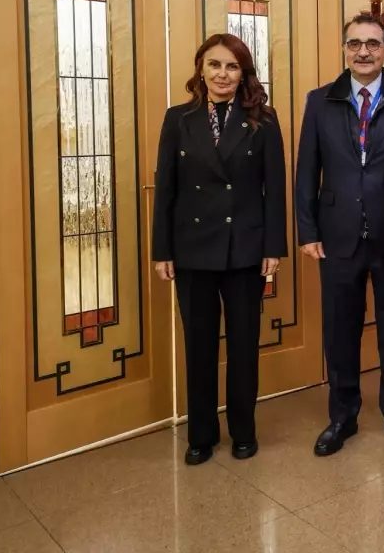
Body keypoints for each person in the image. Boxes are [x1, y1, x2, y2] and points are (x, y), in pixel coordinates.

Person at [295, 13, 384, 456]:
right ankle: (343, 416)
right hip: (337, 236)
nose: (363, 52)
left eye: (373, 44)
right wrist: (307, 230)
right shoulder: (320, 101)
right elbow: (306, 172)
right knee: (341, 331)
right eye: (354, 43)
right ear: (344, 49)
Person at [151, 33, 287, 465]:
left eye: (232, 66)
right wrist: (162, 250)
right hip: (191, 250)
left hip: (245, 248)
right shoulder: (178, 119)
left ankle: (244, 431)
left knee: (244, 346)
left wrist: (273, 247)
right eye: (214, 65)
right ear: (201, 69)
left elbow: (275, 189)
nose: (223, 74)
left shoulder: (263, 120)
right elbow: (166, 188)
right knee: (200, 345)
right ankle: (202, 434)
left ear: (243, 73)